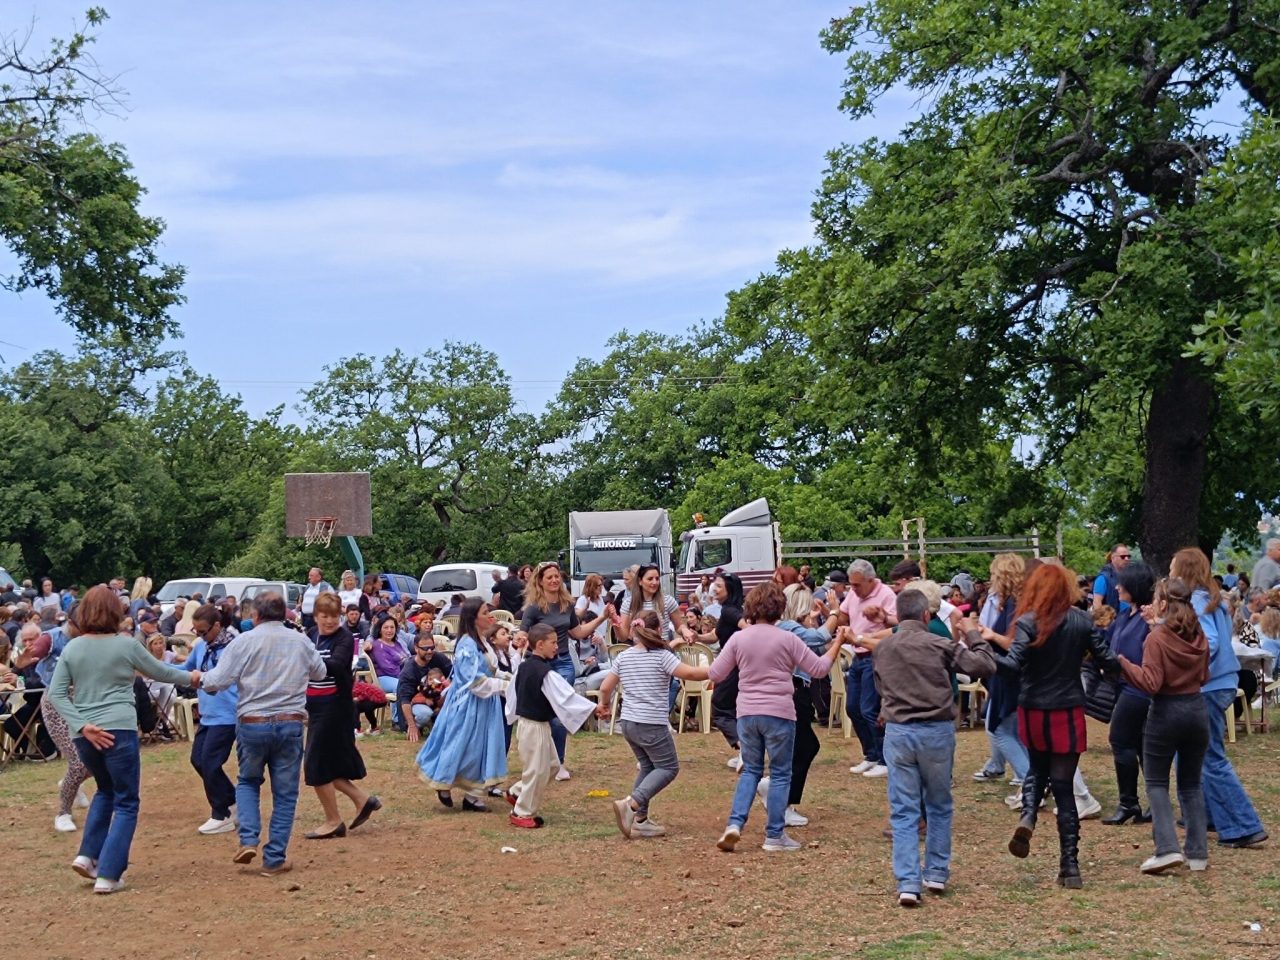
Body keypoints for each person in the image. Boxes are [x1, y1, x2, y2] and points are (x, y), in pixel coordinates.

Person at [47, 586, 201, 894]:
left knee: (105, 790)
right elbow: (160, 671)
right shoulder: (126, 645)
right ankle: (109, 874)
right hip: (119, 730)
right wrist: (192, 677)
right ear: (116, 612)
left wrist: (82, 725)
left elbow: (56, 694)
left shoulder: (73, 648)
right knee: (127, 801)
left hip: (85, 736)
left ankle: (87, 855)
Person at [983, 564, 1120, 888]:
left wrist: (981, 648)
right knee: (1063, 787)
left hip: (1033, 707)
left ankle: (1028, 814)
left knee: (1036, 768)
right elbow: (1109, 661)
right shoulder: (1082, 620)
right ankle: (1070, 866)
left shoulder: (1028, 622)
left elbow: (1011, 665)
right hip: (1068, 708)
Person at [870, 589, 996, 906]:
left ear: (898, 616)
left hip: (899, 731)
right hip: (936, 730)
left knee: (904, 810)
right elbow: (984, 666)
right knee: (938, 803)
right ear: (926, 615)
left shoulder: (883, 648)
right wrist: (972, 633)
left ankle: (908, 882)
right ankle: (936, 872)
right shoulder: (939, 644)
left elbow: (881, 687)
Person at [198, 592, 327, 878]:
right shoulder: (300, 640)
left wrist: (199, 678)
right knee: (285, 794)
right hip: (290, 722)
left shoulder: (244, 641)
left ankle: (248, 839)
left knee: (248, 781)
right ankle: (274, 858)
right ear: (284, 614)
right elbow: (320, 672)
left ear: (255, 615)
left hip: (253, 722)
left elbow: (217, 681)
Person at [709, 582, 845, 854]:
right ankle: (774, 835)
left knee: (751, 770)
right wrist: (837, 643)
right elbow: (818, 669)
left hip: (747, 712)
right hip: (779, 712)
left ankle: (735, 823)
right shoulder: (788, 638)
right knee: (781, 773)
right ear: (780, 609)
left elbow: (715, 673)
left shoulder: (739, 638)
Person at [1170, 547, 1268, 848]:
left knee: (1209, 756)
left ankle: (1243, 826)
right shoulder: (1212, 600)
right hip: (1220, 683)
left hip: (1208, 687)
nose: (1170, 573)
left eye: (1173, 568)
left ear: (1184, 571)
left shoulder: (1197, 603)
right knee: (1189, 752)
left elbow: (1209, 643)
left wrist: (1185, 667)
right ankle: (1205, 814)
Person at [1116, 578, 1211, 874]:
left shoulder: (1157, 638)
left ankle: (1167, 848)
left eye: (1156, 599)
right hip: (1197, 709)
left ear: (1164, 603)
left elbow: (1151, 682)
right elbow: (1204, 676)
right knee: (1191, 784)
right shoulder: (1198, 635)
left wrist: (1122, 663)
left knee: (1157, 782)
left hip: (1166, 711)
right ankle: (1197, 853)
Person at [598, 610, 710, 839]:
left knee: (648, 766)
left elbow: (606, 687)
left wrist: (604, 705)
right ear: (659, 630)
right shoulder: (662, 656)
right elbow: (690, 673)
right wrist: (720, 668)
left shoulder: (624, 656)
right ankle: (631, 804)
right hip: (651, 723)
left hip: (629, 722)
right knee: (669, 767)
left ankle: (640, 820)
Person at [518, 562, 611, 782]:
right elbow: (523, 632)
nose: (554, 580)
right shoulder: (534, 608)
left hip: (563, 662)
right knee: (542, 714)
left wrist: (602, 618)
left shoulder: (566, 605)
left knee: (559, 714)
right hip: (539, 665)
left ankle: (558, 762)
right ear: (540, 581)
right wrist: (519, 639)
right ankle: (540, 760)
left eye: (556, 577)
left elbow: (577, 633)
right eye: (549, 577)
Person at [416, 598, 511, 809]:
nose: (490, 616)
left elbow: (490, 670)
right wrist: (505, 686)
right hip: (468, 704)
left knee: (481, 747)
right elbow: (474, 681)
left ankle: (472, 796)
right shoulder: (467, 644)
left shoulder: (482, 640)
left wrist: (509, 678)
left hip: (486, 704)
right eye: (485, 613)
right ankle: (443, 782)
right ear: (473, 618)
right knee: (460, 744)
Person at [760, 583, 840, 829]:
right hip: (793, 691)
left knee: (798, 748)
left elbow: (817, 649)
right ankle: (781, 801)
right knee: (803, 747)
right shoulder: (787, 627)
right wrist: (834, 612)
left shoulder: (790, 628)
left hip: (798, 690)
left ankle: (778, 794)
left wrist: (815, 623)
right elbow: (819, 638)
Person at [504, 623, 596, 828]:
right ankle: (521, 812)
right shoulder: (544, 673)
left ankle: (517, 792)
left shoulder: (525, 667)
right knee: (536, 771)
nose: (557, 647)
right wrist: (593, 709)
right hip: (532, 726)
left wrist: (512, 713)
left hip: (536, 725)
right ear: (539, 645)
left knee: (552, 765)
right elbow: (565, 697)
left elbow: (512, 692)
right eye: (553, 643)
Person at [303, 593, 380, 839]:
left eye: (334, 616)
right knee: (330, 765)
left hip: (335, 709)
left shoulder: (344, 638)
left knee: (315, 765)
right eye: (324, 616)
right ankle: (363, 800)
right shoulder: (310, 635)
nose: (329, 621)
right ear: (316, 616)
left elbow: (336, 666)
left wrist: (307, 659)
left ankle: (333, 821)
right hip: (315, 707)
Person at [1102, 561, 1157, 825]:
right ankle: (1154, 803)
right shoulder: (1125, 616)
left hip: (1138, 689)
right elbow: (1108, 644)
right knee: (1140, 745)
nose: (1116, 587)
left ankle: (1129, 803)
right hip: (1123, 685)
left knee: (1120, 740)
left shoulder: (1147, 619)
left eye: (1121, 583)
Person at [182, 604, 240, 836]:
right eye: (195, 631)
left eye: (202, 631)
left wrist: (201, 677)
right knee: (198, 760)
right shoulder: (201, 646)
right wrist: (155, 668)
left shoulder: (233, 647)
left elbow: (218, 678)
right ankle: (233, 801)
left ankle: (222, 814)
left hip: (228, 714)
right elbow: (185, 669)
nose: (199, 636)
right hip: (208, 715)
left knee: (210, 762)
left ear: (217, 625)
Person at [973, 553, 1027, 793]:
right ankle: (1028, 778)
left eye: (994, 574)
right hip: (1007, 675)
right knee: (1009, 729)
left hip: (1008, 676)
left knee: (999, 729)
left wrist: (990, 635)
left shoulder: (1015, 606)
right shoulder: (1013, 603)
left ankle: (1027, 780)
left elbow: (1014, 644)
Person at [840, 558, 898, 779]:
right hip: (858, 655)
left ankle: (884, 759)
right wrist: (830, 611)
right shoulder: (853, 594)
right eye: (851, 585)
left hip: (876, 656)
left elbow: (898, 624)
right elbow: (844, 615)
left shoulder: (886, 595)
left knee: (869, 709)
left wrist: (883, 617)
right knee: (852, 707)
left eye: (857, 585)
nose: (853, 589)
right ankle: (871, 754)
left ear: (870, 580)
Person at [35, 607, 91, 832]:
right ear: (70, 621)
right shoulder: (52, 638)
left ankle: (70, 782)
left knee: (97, 759)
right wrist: (24, 658)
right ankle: (63, 814)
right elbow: (30, 655)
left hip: (83, 702)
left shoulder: (89, 640)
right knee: (78, 762)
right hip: (56, 703)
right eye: (81, 625)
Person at [398, 633, 454, 738]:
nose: (429, 651)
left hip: (438, 699)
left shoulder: (439, 658)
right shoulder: (409, 670)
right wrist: (412, 725)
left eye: (432, 647)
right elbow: (405, 700)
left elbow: (454, 676)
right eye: (425, 648)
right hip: (417, 702)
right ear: (416, 648)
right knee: (424, 714)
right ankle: (418, 725)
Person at [617, 564, 679, 642]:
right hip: (640, 647)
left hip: (663, 646)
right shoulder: (628, 603)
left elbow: (679, 627)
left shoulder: (668, 601)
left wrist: (685, 631)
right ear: (640, 581)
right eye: (650, 579)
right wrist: (615, 624)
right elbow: (623, 637)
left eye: (657, 579)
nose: (655, 582)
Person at [365, 615, 409, 696]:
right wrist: (407, 677)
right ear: (380, 630)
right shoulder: (378, 645)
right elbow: (389, 669)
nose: (389, 630)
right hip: (384, 678)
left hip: (400, 676)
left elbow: (406, 659)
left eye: (392, 627)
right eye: (386, 627)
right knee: (404, 687)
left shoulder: (397, 643)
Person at [1091, 544, 1132, 613]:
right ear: (1113, 558)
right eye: (1123, 556)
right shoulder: (1103, 578)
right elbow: (1097, 604)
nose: (1127, 559)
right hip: (1113, 618)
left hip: (1129, 617)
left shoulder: (1130, 576)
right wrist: (1104, 619)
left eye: (1128, 556)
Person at [298, 567, 333, 632]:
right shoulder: (307, 587)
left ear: (318, 577)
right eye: (309, 575)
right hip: (305, 619)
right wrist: (300, 605)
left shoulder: (326, 587)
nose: (309, 577)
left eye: (311, 575)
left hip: (317, 619)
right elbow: (302, 599)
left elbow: (333, 602)